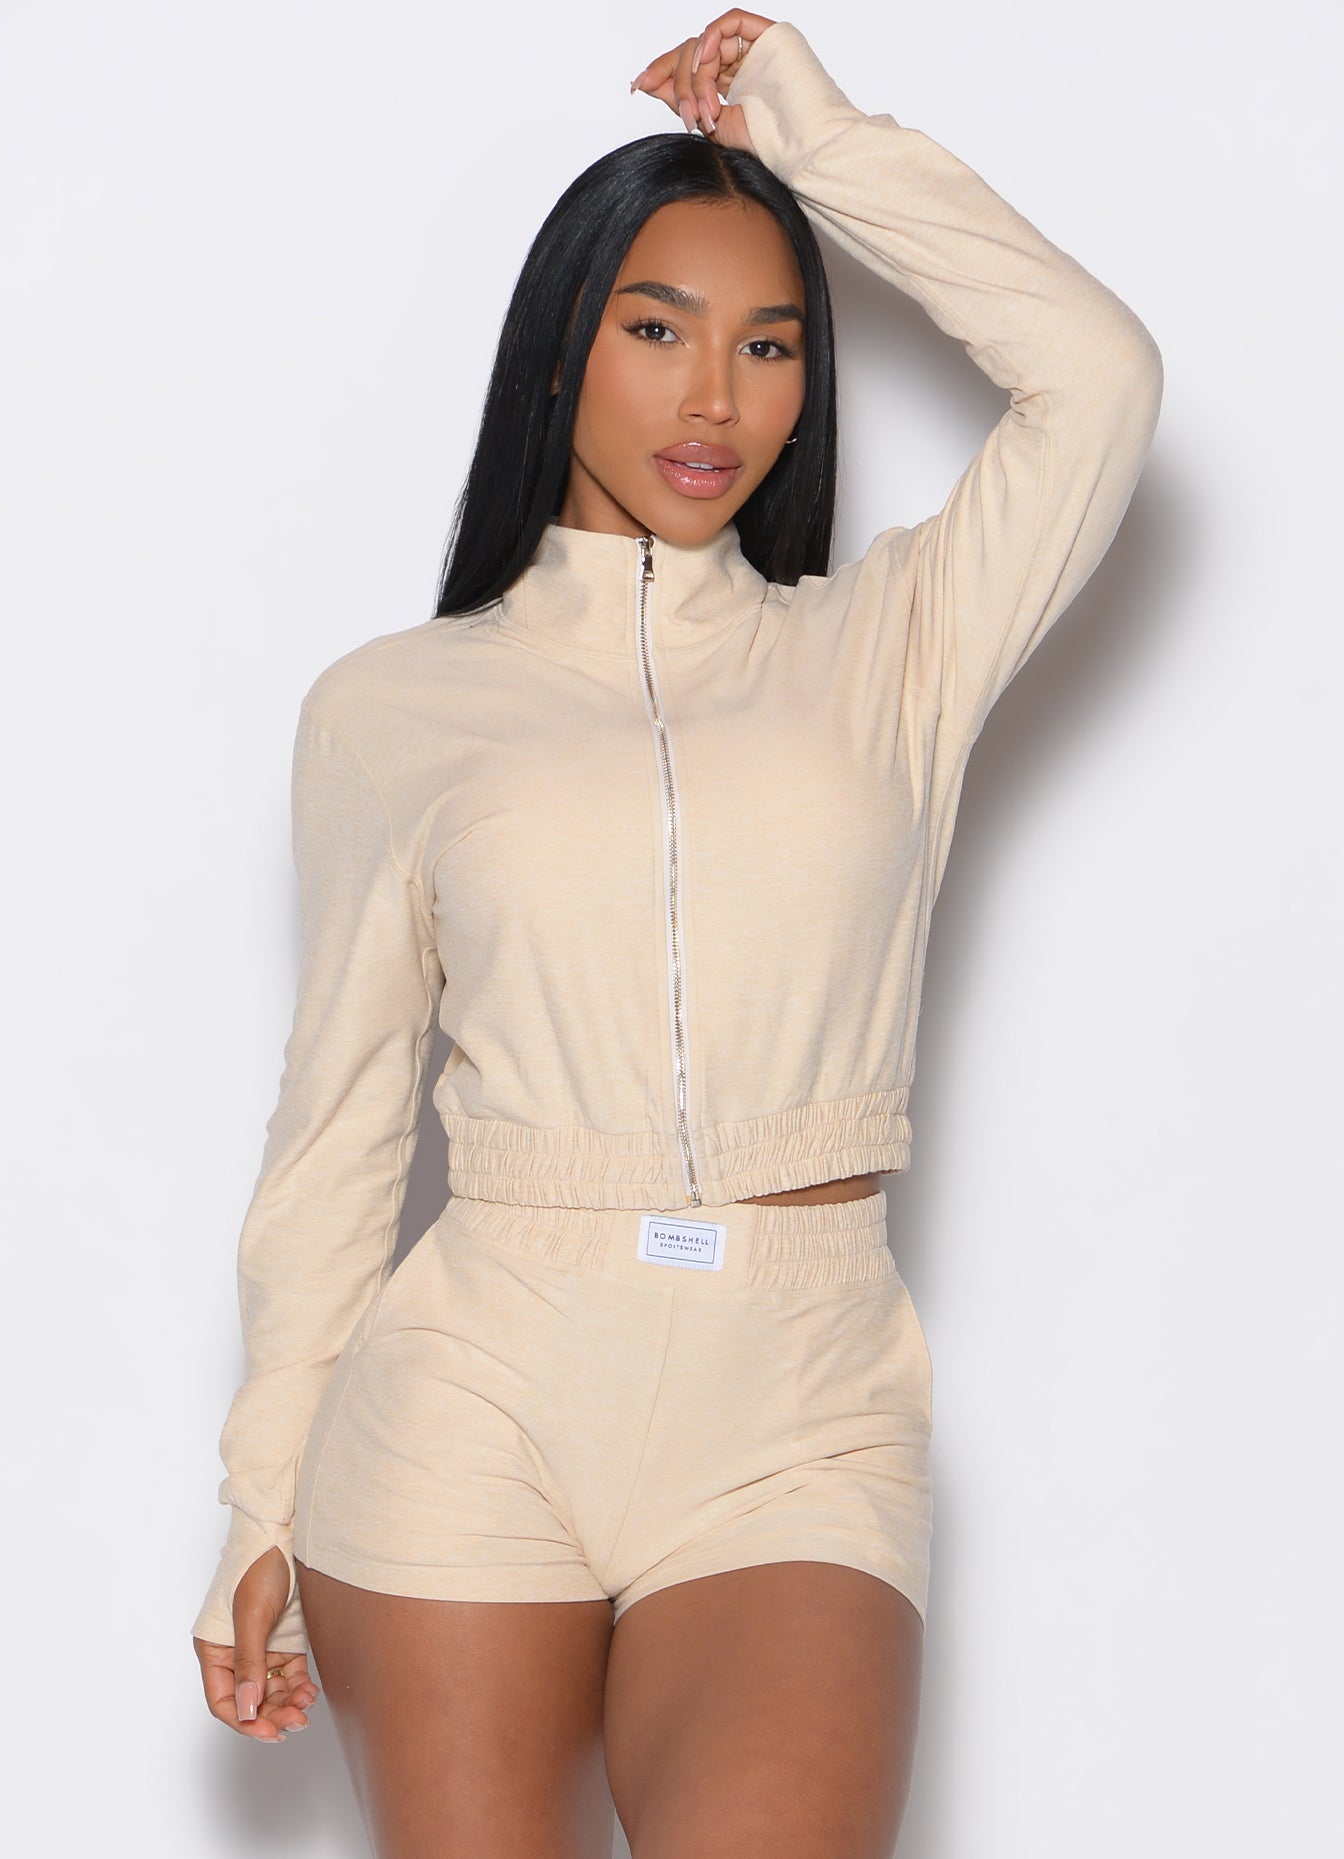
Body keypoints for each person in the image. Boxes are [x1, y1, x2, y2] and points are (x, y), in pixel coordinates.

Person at [191, 12, 1162, 1855]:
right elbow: (339, 1128)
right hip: (473, 1398)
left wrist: (818, 139)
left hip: (798, 1411)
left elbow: (1100, 377)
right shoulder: (394, 708)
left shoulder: (892, 649)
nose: (715, 397)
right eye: (658, 330)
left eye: (768, 344)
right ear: (564, 348)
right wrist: (262, 1500)